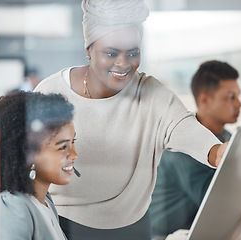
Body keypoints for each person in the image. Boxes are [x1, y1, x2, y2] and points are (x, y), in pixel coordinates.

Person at [33, 1, 227, 239]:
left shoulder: (152, 94)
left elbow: (182, 126)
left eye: (133, 53)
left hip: (133, 228)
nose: (123, 64)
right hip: (62, 226)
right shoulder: (51, 93)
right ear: (89, 49)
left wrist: (216, 151)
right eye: (111, 53)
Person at [0, 91, 78, 240]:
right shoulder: (11, 208)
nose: (74, 154)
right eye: (63, 147)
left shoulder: (44, 202)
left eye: (73, 142)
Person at [149, 60, 241, 237]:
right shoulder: (184, 146)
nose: (239, 104)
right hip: (167, 236)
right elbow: (220, 203)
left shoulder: (225, 137)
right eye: (231, 97)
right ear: (204, 100)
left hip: (196, 231)